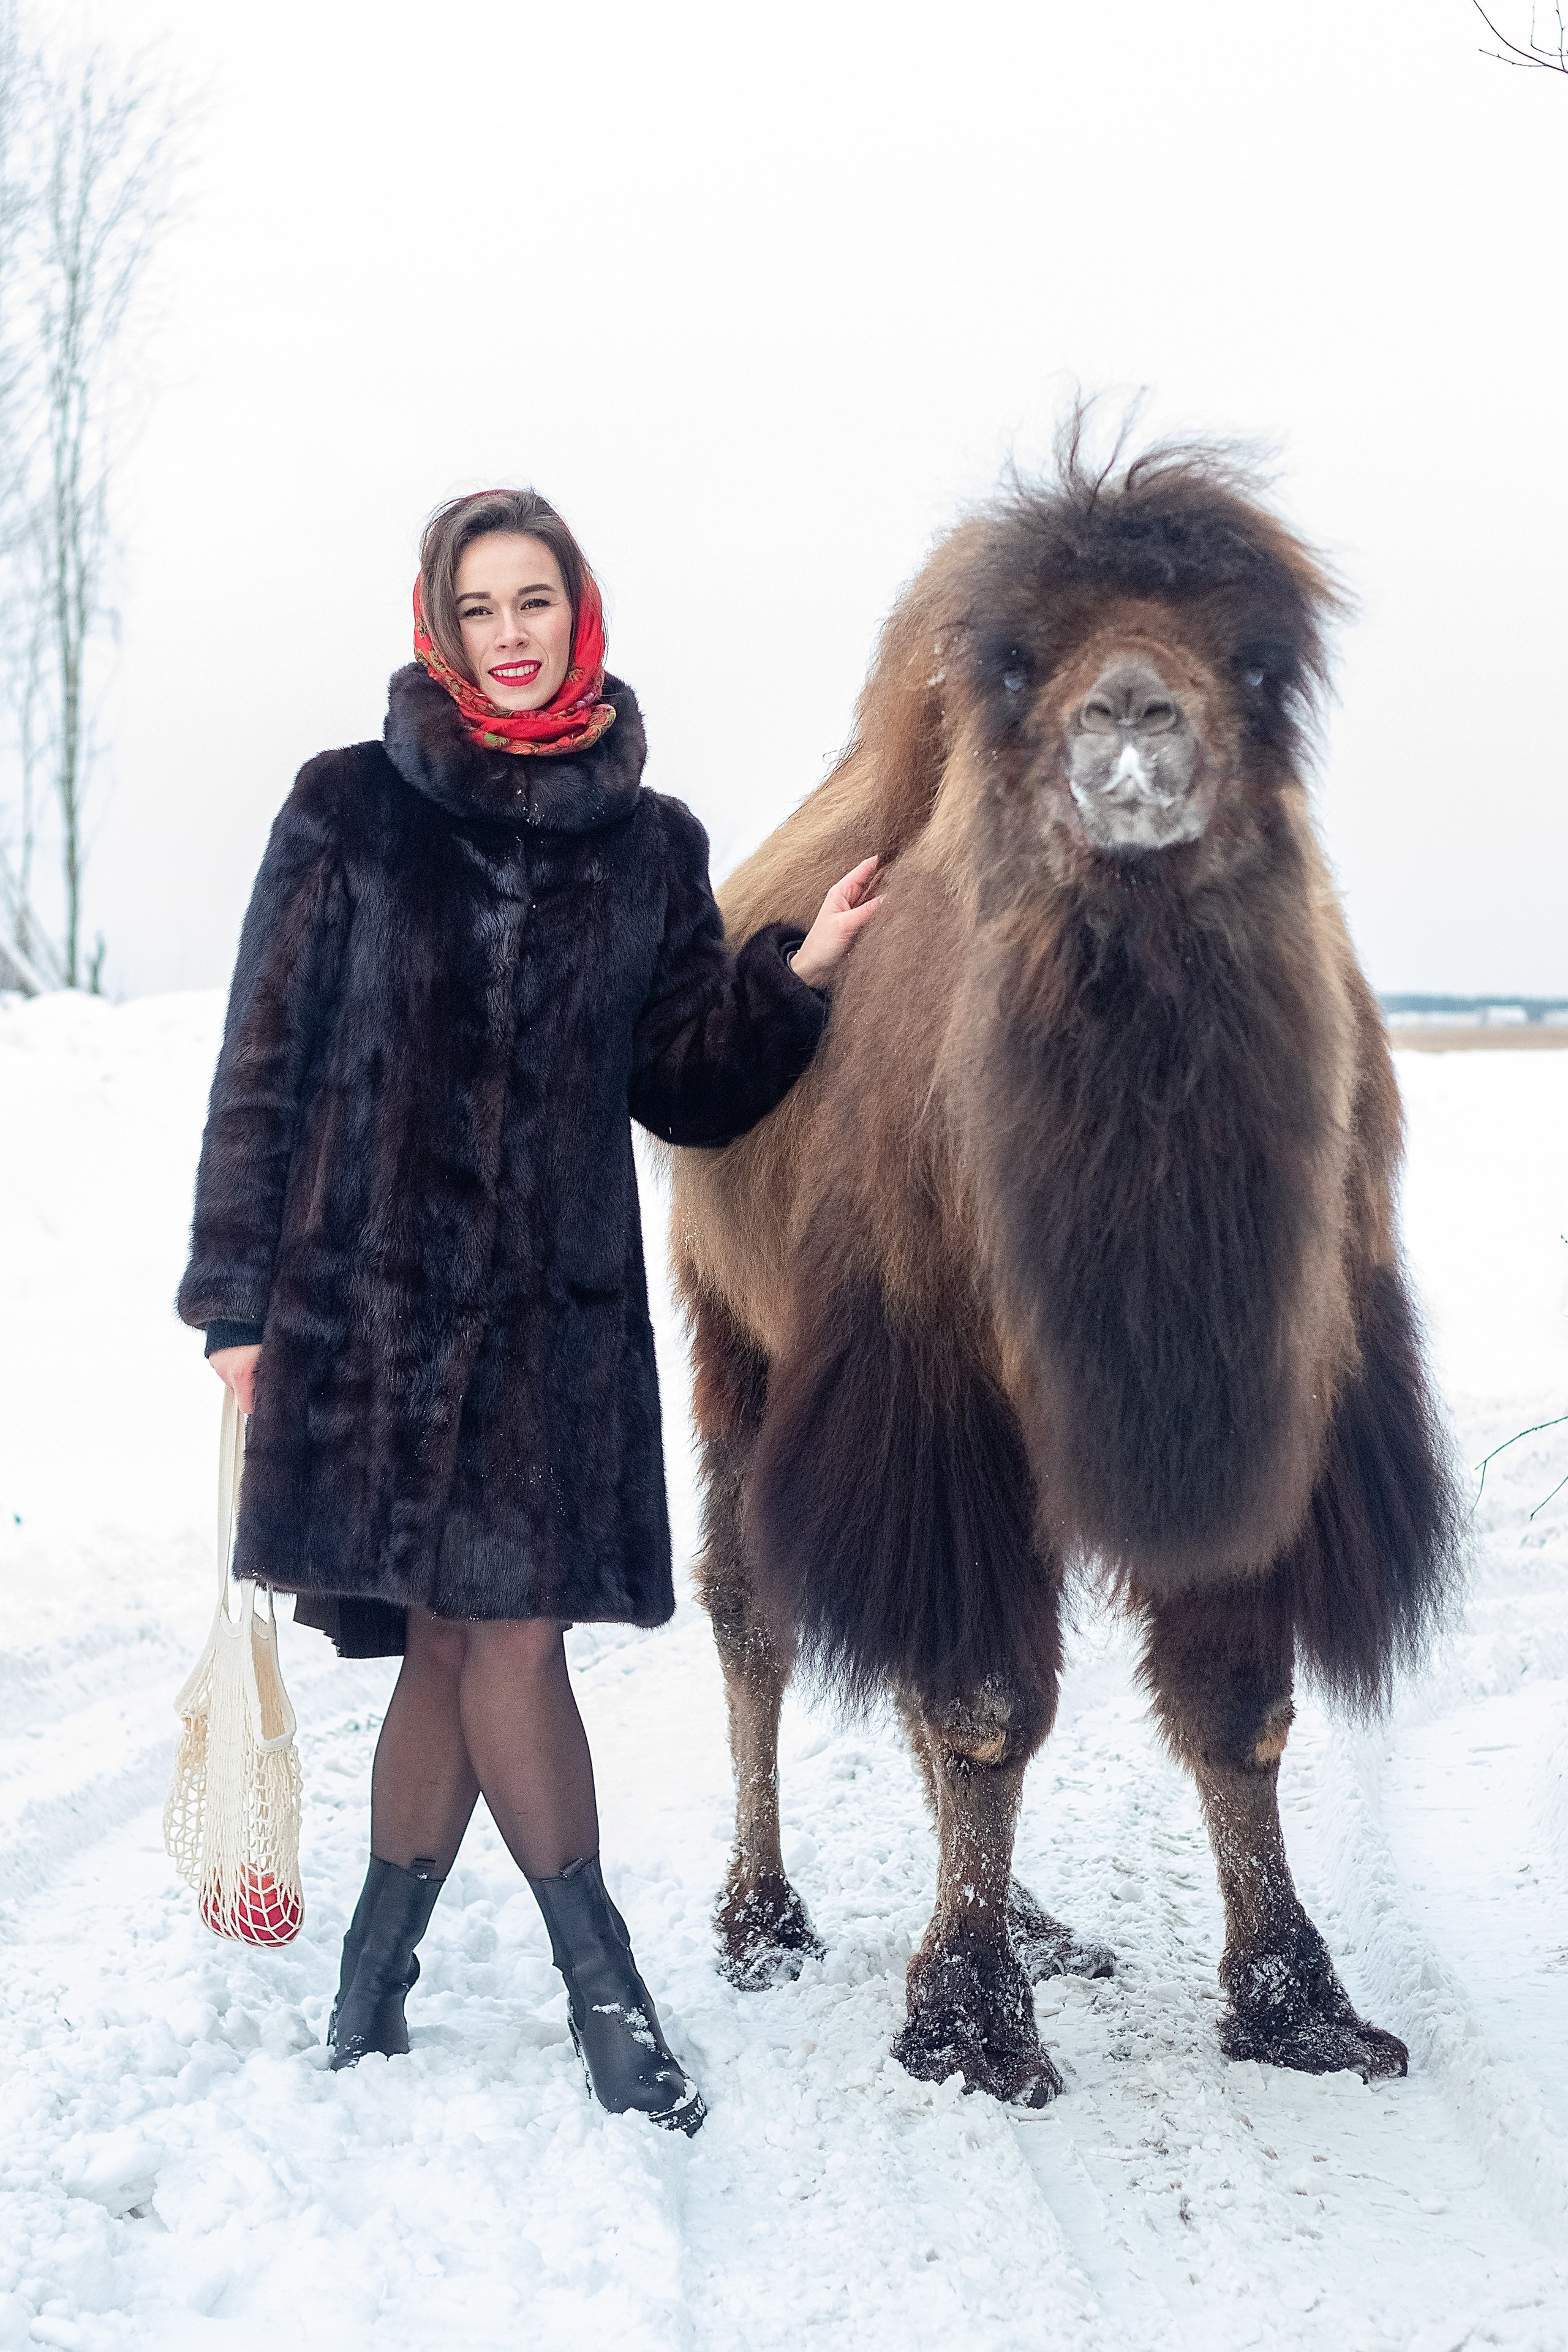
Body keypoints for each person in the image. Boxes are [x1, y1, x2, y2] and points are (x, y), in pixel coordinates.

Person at [178, 488, 878, 2134]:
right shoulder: (348, 810)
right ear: (441, 623)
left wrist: (801, 974)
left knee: (505, 1633)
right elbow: (258, 1068)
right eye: (482, 606)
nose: (512, 634)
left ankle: (504, 1988)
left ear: (584, 614)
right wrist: (235, 1300)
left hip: (544, 1330)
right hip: (364, 1309)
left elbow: (681, 1083)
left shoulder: (647, 843)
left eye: (537, 602)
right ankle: (506, 1985)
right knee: (448, 1640)